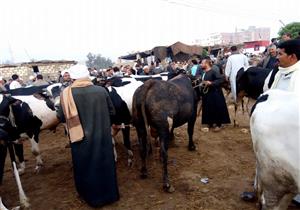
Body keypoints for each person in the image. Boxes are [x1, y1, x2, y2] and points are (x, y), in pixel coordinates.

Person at [242, 39, 300, 205]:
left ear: (293, 56)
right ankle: (260, 189)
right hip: (270, 128)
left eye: (281, 54)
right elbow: (267, 90)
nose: (277, 57)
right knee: (264, 161)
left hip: (288, 134)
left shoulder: (298, 75)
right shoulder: (278, 71)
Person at [57, 64, 119, 207]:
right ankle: (110, 195)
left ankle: (90, 197)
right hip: (102, 135)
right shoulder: (100, 90)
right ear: (87, 75)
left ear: (72, 77)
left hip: (80, 137)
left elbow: (61, 116)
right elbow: (112, 112)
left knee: (84, 166)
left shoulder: (66, 94)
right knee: (105, 164)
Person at [200, 58, 231, 131]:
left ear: (206, 64)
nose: (201, 65)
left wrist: (211, 83)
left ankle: (218, 124)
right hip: (207, 94)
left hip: (215, 93)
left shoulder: (213, 72)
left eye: (202, 63)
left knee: (216, 108)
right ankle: (209, 122)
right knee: (208, 108)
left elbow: (221, 79)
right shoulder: (204, 72)